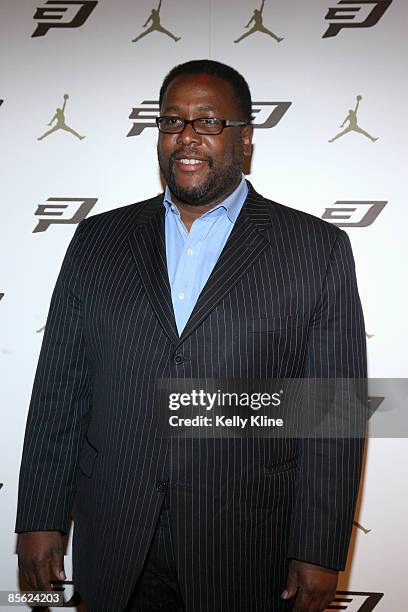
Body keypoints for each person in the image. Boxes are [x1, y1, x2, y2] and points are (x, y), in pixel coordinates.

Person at [16, 59, 367, 612]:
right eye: (172, 121)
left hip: (246, 545)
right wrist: (39, 517)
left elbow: (332, 413)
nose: (186, 137)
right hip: (116, 540)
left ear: (244, 138)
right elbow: (60, 389)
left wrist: (321, 550)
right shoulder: (97, 241)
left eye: (208, 122)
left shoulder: (314, 248)